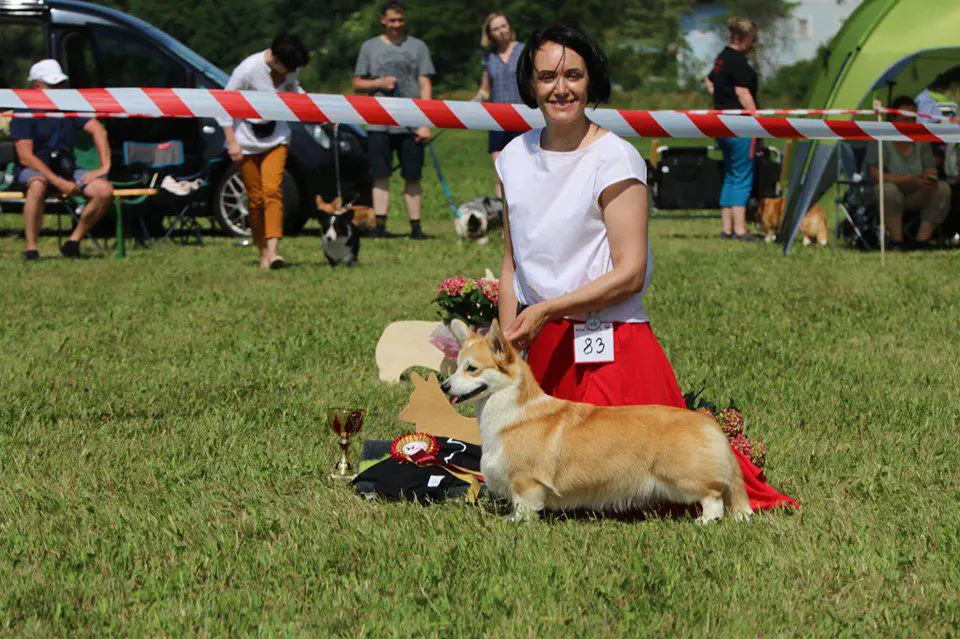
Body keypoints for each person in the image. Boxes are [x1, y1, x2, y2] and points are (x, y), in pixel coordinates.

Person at [496, 24, 793, 511]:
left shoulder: (616, 157)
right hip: (540, 344)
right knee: (537, 486)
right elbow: (511, 265)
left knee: (653, 493)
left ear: (592, 80)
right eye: (547, 76)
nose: (561, 89)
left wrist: (547, 309)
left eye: (573, 75)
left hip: (610, 344)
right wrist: (508, 352)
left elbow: (630, 273)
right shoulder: (513, 157)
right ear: (530, 83)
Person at [219, 33, 309, 269]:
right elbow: (223, 104)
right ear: (276, 60)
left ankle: (274, 251)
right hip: (245, 141)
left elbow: (294, 90)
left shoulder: (290, 69)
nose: (292, 72)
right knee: (255, 198)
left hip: (276, 137)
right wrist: (231, 141)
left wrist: (322, 113)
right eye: (289, 68)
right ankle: (262, 250)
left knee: (272, 191)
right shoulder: (248, 69)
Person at [12, 60, 113, 261]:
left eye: (61, 84)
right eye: (53, 85)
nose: (59, 89)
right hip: (34, 169)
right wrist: (58, 182)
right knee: (38, 185)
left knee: (104, 191)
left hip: (66, 169)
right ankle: (31, 249)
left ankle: (73, 242)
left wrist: (104, 167)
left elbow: (98, 130)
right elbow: (25, 156)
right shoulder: (23, 111)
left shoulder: (69, 107)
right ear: (37, 86)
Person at [353, 0, 435, 240]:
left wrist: (426, 121)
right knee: (380, 175)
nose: (396, 25)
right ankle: (380, 226)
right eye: (392, 20)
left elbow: (425, 83)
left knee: (413, 176)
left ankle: (416, 228)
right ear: (383, 21)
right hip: (378, 121)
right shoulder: (369, 47)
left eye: (400, 20)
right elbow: (357, 84)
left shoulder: (418, 47)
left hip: (411, 122)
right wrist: (380, 83)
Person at [865, 96, 951, 250]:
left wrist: (929, 177)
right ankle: (898, 241)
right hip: (889, 196)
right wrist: (909, 179)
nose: (909, 123)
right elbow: (875, 175)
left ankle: (921, 241)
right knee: (888, 190)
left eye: (912, 119)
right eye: (904, 118)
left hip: (917, 192)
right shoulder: (881, 139)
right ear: (892, 119)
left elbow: (930, 167)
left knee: (943, 189)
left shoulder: (921, 139)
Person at [706, 17, 760, 241]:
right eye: (753, 39)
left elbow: (710, 82)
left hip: (721, 124)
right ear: (744, 37)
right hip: (740, 125)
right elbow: (742, 92)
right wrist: (757, 120)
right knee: (742, 176)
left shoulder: (722, 58)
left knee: (730, 174)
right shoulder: (738, 62)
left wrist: (721, 100)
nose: (755, 43)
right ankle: (739, 229)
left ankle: (726, 228)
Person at [472, 12, 525, 199]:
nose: (501, 31)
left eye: (503, 26)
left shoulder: (525, 51)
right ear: (490, 34)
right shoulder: (489, 57)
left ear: (509, 26)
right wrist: (473, 102)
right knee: (500, 173)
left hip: (522, 119)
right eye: (495, 29)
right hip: (497, 122)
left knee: (523, 172)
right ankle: (503, 214)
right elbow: (485, 90)